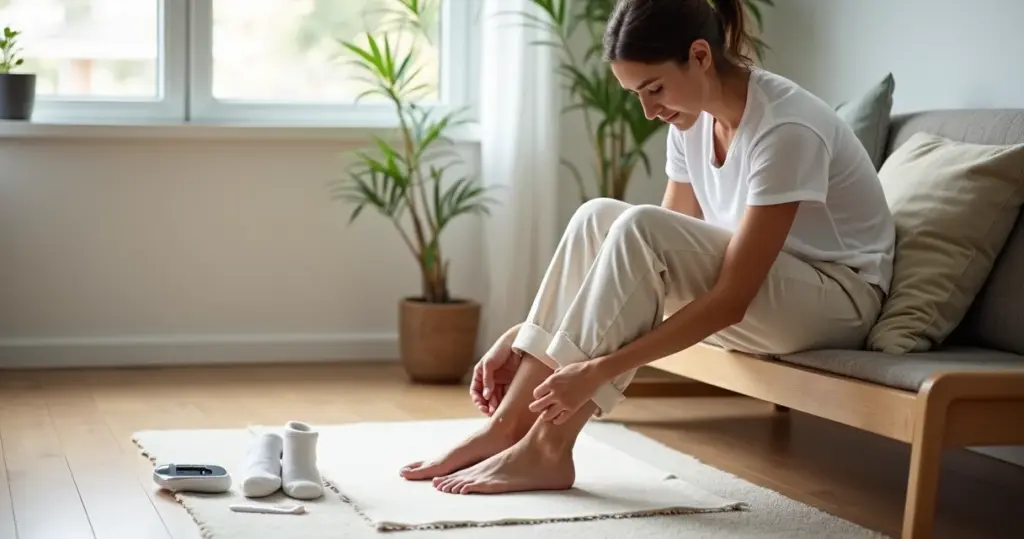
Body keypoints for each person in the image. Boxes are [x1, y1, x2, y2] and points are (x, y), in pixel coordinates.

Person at [399, 0, 895, 495]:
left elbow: (729, 298)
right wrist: (532, 331)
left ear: (700, 56)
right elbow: (653, 256)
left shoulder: (786, 128)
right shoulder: (692, 119)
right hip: (775, 293)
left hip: (839, 301)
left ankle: (549, 450)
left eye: (654, 88)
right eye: (637, 94)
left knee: (638, 227)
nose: (649, 110)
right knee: (599, 217)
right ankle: (508, 427)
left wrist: (595, 371)